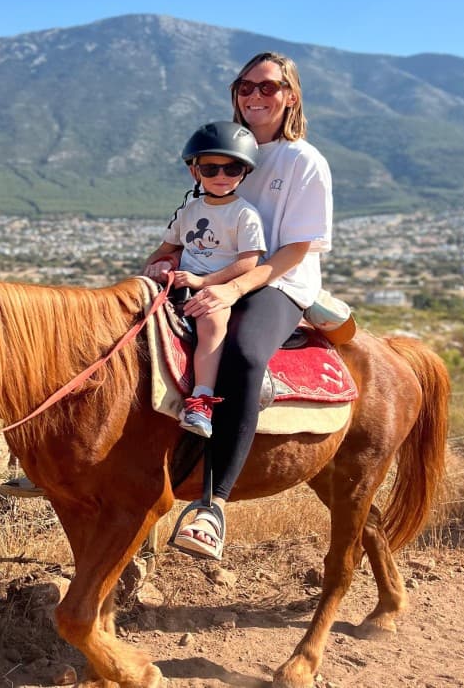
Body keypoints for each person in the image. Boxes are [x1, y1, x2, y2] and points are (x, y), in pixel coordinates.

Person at [165, 51, 334, 560]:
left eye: (268, 87)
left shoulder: (304, 161)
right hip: (213, 273)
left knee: (243, 354)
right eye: (245, 86)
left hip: (278, 282)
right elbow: (197, 222)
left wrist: (234, 290)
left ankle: (212, 506)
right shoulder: (226, 150)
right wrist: (165, 259)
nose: (255, 95)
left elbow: (296, 250)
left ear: (291, 96)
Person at [142, 121, 266, 438]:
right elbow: (166, 248)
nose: (221, 176)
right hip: (182, 281)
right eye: (210, 169)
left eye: (231, 168)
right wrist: (156, 266)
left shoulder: (245, 214)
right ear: (194, 171)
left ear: (244, 172)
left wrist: (204, 282)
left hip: (220, 287)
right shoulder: (188, 209)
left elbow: (248, 262)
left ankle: (201, 400)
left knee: (211, 320)